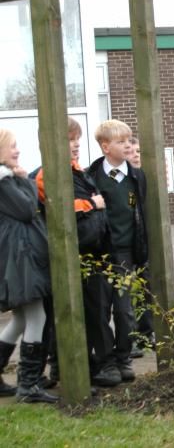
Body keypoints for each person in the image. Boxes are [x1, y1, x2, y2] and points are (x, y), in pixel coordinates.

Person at [34, 117, 115, 387]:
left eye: (77, 138)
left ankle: (92, 363)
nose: (76, 144)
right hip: (72, 254)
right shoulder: (48, 174)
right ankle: (65, 366)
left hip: (90, 251)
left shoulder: (78, 171)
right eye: (70, 139)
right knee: (70, 312)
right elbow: (59, 206)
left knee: (94, 309)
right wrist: (92, 204)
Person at [87, 119, 148, 383]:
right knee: (100, 309)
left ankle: (124, 356)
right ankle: (105, 360)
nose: (127, 146)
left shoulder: (136, 177)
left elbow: (140, 212)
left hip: (125, 253)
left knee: (124, 310)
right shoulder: (92, 178)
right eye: (120, 142)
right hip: (100, 253)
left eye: (128, 140)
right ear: (105, 147)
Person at [0, 128, 58, 403]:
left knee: (21, 319)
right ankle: (29, 384)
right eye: (11, 146)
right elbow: (27, 210)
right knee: (37, 317)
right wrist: (28, 182)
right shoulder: (4, 182)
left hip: (17, 257)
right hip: (21, 258)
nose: (17, 151)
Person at [124, 136, 154, 358]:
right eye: (131, 151)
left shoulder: (142, 178)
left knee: (146, 289)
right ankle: (131, 337)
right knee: (127, 292)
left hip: (142, 242)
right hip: (126, 244)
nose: (135, 154)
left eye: (138, 151)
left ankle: (147, 332)